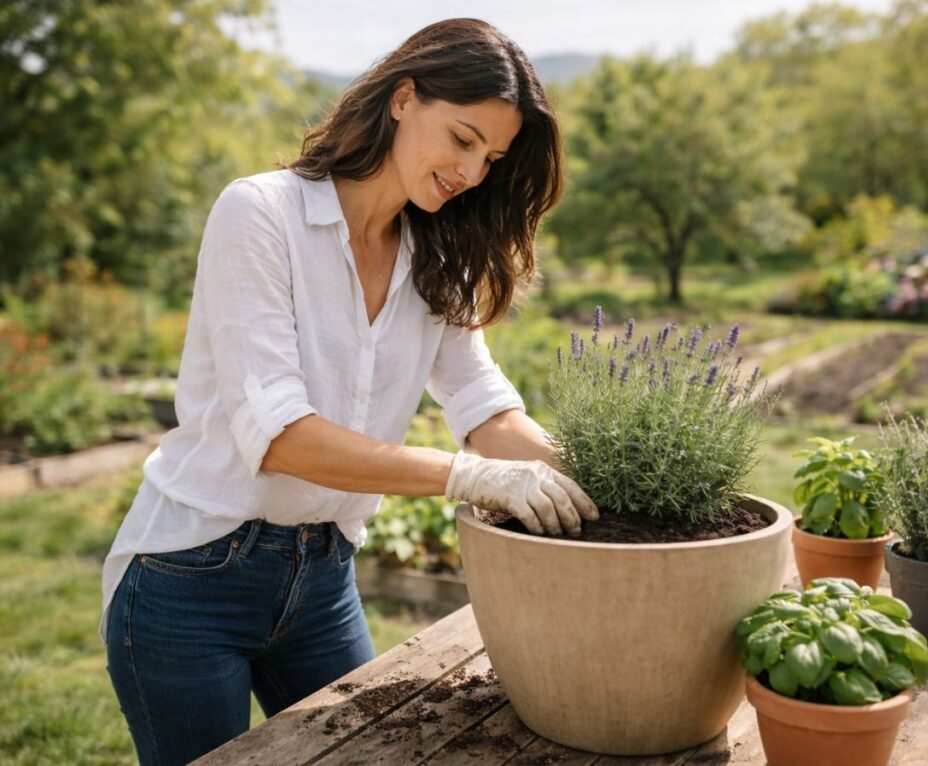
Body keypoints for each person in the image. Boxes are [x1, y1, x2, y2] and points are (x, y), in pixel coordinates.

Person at [100, 17, 599, 765]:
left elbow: (483, 406)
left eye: (490, 158)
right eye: (462, 139)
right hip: (189, 581)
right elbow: (280, 437)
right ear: (403, 98)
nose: (471, 172)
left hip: (323, 581)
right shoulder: (260, 215)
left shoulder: (437, 253)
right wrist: (467, 476)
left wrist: (595, 480)